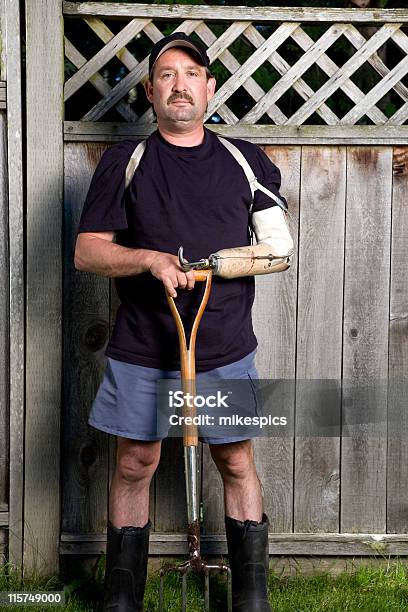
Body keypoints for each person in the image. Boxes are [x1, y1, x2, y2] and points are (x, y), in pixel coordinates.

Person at [75, 32, 293, 612]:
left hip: (222, 344)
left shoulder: (246, 160)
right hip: (142, 344)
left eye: (191, 73)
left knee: (236, 458)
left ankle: (252, 598)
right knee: (134, 461)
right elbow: (88, 252)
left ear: (210, 87)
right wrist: (148, 259)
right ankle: (122, 598)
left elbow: (278, 248)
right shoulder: (126, 162)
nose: (179, 84)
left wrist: (224, 264)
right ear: (150, 91)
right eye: (167, 74)